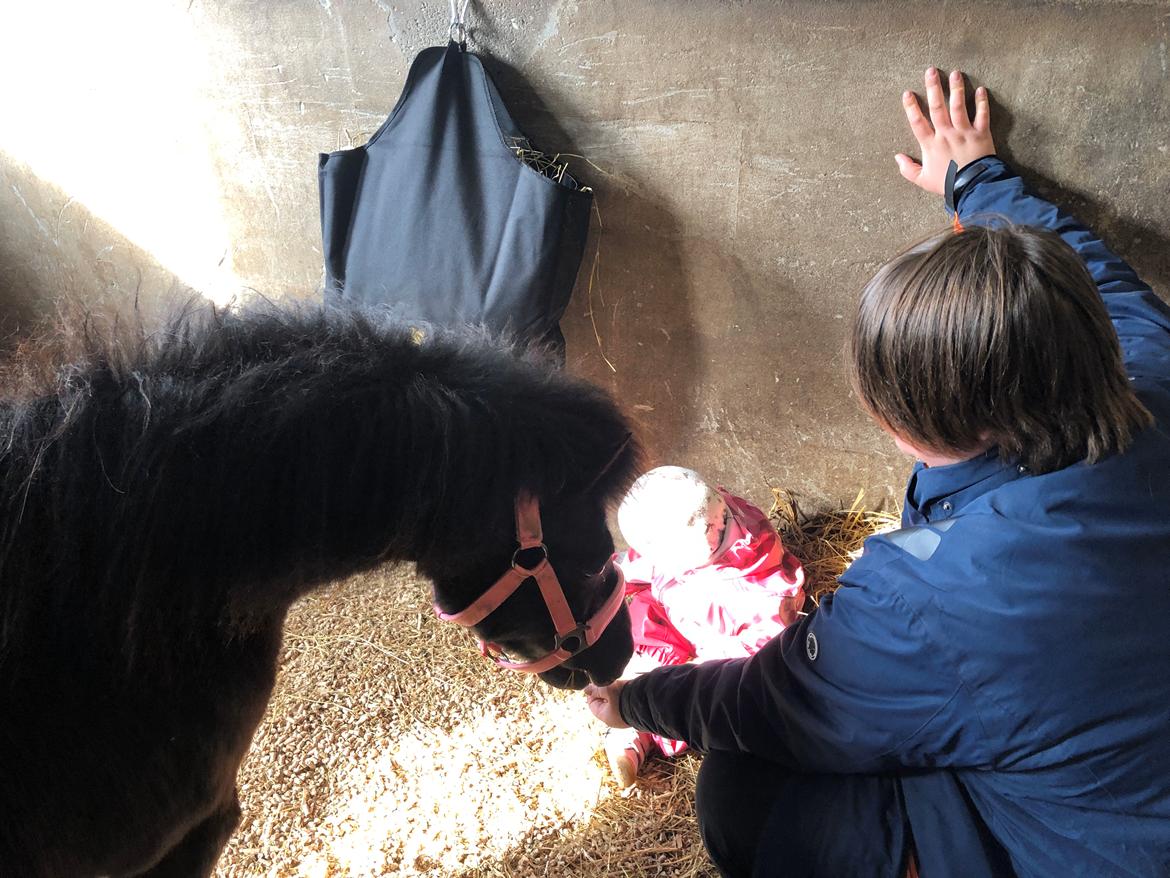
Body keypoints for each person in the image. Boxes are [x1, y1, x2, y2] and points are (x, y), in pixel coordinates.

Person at [586, 67, 1170, 878]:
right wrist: (975, 178)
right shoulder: (1144, 367)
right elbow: (1093, 273)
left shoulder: (936, 595)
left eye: (888, 408)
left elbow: (781, 704)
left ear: (949, 427)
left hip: (1105, 849)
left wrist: (642, 698)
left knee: (743, 790)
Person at [601, 466, 805, 787]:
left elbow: (763, 641)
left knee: (707, 688)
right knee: (643, 614)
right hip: (684, 609)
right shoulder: (683, 539)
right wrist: (606, 581)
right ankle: (633, 710)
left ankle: (646, 727)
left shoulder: (757, 584)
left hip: (726, 637)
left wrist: (702, 667)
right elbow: (645, 563)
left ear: (712, 525)